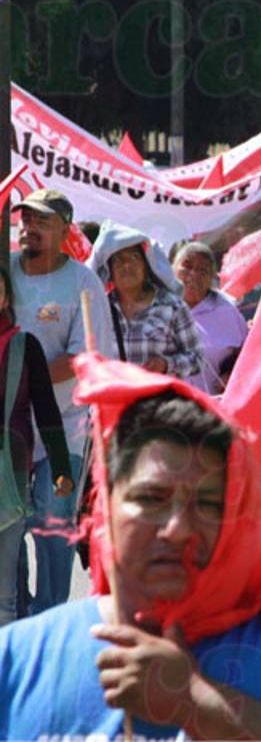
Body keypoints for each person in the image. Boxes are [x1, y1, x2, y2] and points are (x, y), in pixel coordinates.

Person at [0, 363, 261, 739]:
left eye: (207, 505)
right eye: (152, 498)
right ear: (103, 506)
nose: (177, 530)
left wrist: (195, 702)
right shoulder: (16, 658)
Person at [9, 189, 116, 615]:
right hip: (11, 426)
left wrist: (23, 376)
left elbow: (84, 355)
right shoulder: (7, 269)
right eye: (26, 219)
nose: (30, 228)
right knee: (10, 524)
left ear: (65, 231)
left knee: (53, 522)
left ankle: (51, 612)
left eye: (43, 221)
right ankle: (14, 609)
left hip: (62, 429)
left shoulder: (83, 283)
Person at [0, 268, 71, 628]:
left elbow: (46, 409)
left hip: (9, 476)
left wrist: (61, 467)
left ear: (6, 298)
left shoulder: (24, 345)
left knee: (3, 593)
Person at [88, 222, 205, 380]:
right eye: (119, 260)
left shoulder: (172, 306)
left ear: (146, 267)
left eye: (134, 257)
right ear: (109, 271)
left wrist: (166, 364)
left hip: (160, 402)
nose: (127, 265)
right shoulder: (100, 310)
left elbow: (198, 359)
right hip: (117, 402)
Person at [172, 241, 249, 394]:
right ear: (173, 269)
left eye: (203, 270)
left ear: (211, 280)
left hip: (213, 407)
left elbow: (249, 353)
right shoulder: (155, 306)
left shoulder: (227, 311)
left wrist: (232, 375)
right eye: (187, 266)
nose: (193, 274)